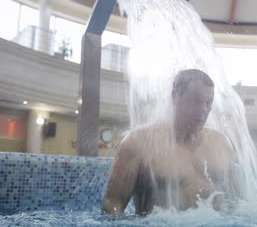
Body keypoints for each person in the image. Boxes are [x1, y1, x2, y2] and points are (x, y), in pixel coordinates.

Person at [102, 69, 239, 215]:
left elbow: (236, 206)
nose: (203, 109)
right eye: (196, 100)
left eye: (208, 102)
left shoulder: (222, 144)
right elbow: (111, 209)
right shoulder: (138, 144)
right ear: (175, 96)